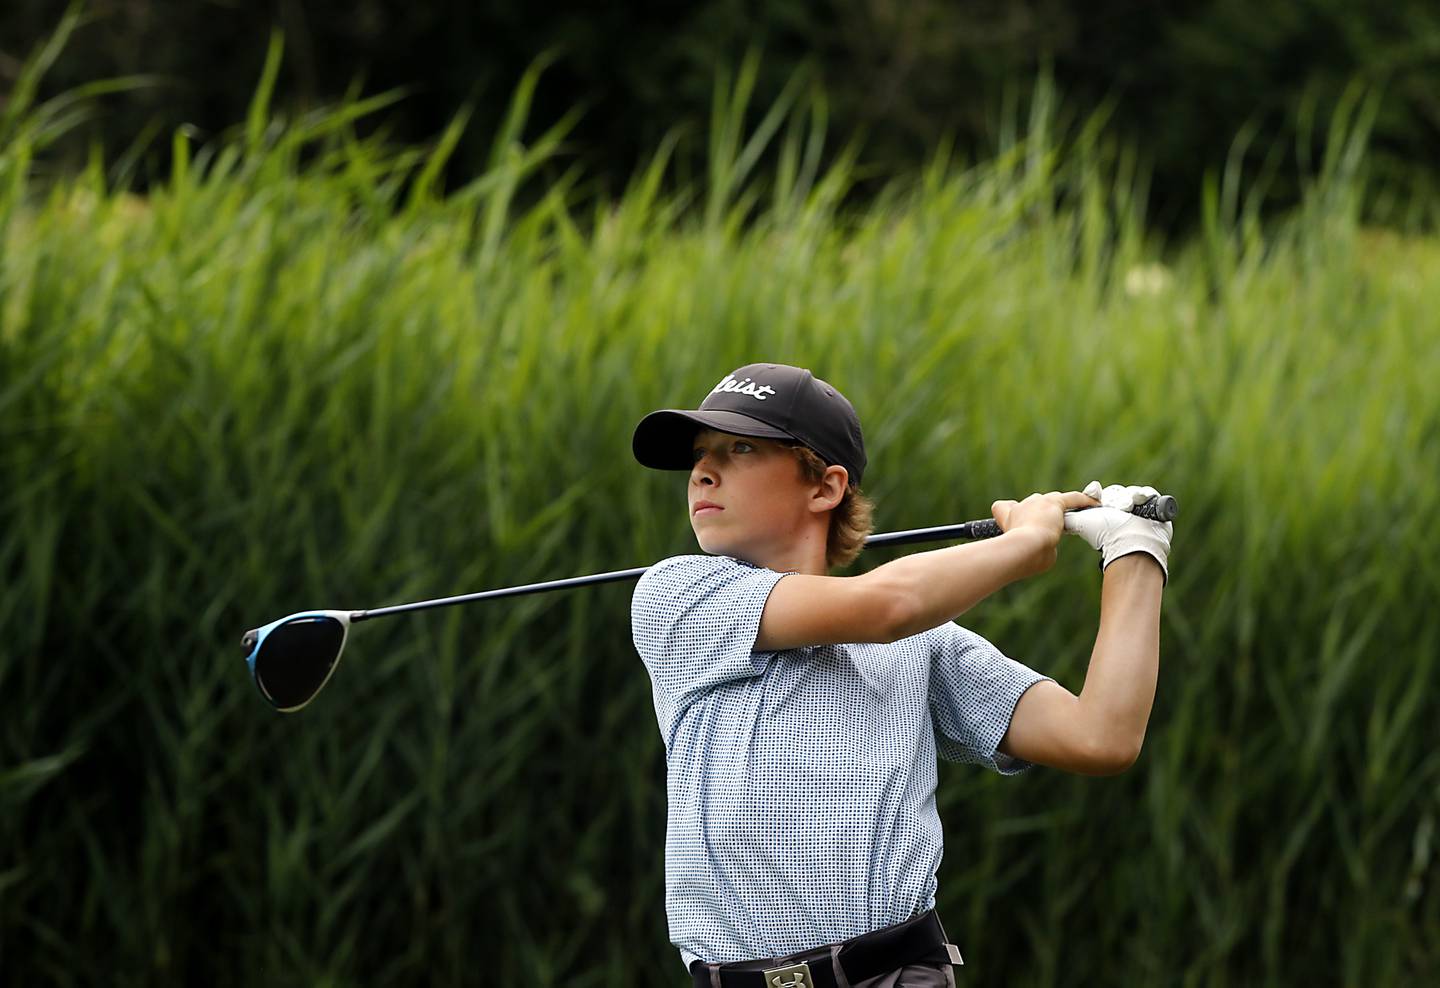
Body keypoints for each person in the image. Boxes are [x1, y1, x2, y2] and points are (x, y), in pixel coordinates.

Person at [630, 362, 1171, 987]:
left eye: (741, 448)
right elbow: (887, 605)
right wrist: (1024, 543)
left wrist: (1135, 550)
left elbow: (1100, 735)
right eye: (701, 454)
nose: (702, 470)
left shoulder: (922, 645)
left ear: (824, 488)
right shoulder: (678, 593)